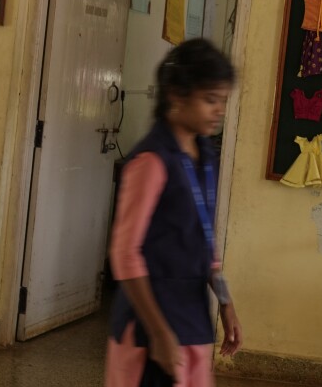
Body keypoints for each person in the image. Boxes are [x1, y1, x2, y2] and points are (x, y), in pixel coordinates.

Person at [105, 38, 242, 387]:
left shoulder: (205, 155)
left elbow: (205, 241)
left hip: (190, 317)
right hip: (151, 325)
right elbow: (124, 254)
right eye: (210, 100)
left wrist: (225, 302)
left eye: (223, 101)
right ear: (177, 96)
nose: (219, 111)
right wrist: (159, 333)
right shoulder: (151, 161)